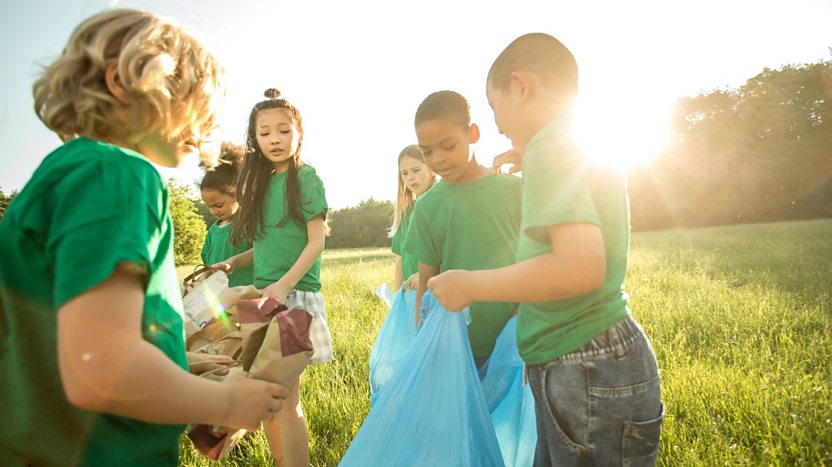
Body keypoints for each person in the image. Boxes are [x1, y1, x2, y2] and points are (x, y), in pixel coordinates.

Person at [0, 9, 287, 467]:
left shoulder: (62, 178)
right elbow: (101, 369)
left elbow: (67, 345)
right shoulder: (115, 174)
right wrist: (225, 404)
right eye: (192, 94)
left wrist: (182, 369)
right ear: (121, 81)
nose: (206, 121)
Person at [427, 33, 664, 465]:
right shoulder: (570, 141)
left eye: (496, 107)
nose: (497, 122)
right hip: (587, 361)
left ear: (521, 86)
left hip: (585, 366)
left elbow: (579, 267)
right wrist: (532, 156)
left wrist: (471, 285)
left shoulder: (552, 148)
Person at [216, 89, 333, 467]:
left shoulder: (306, 178)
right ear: (255, 139)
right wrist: (233, 263)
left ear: (298, 132)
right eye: (265, 133)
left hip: (293, 296)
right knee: (265, 398)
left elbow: (315, 243)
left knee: (285, 398)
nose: (275, 140)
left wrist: (284, 285)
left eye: (283, 131)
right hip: (260, 297)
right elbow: (265, 245)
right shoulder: (259, 184)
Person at [406, 90, 522, 368]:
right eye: (427, 152)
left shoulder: (515, 190)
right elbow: (426, 281)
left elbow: (537, 259)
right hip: (456, 347)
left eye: (448, 146)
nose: (438, 159)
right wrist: (424, 342)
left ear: (473, 133)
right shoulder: (426, 207)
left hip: (518, 342)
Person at [200, 141, 254, 287]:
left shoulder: (250, 224)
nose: (213, 211)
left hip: (247, 296)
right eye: (209, 207)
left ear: (238, 193)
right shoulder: (213, 231)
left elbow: (261, 252)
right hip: (220, 298)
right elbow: (206, 260)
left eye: (218, 205)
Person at [389, 144, 436, 291]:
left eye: (416, 170)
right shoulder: (406, 212)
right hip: (411, 294)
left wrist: (425, 276)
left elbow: (452, 254)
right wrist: (397, 296)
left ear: (432, 169)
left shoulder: (441, 206)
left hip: (438, 292)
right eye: (405, 173)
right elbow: (400, 258)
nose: (410, 177)